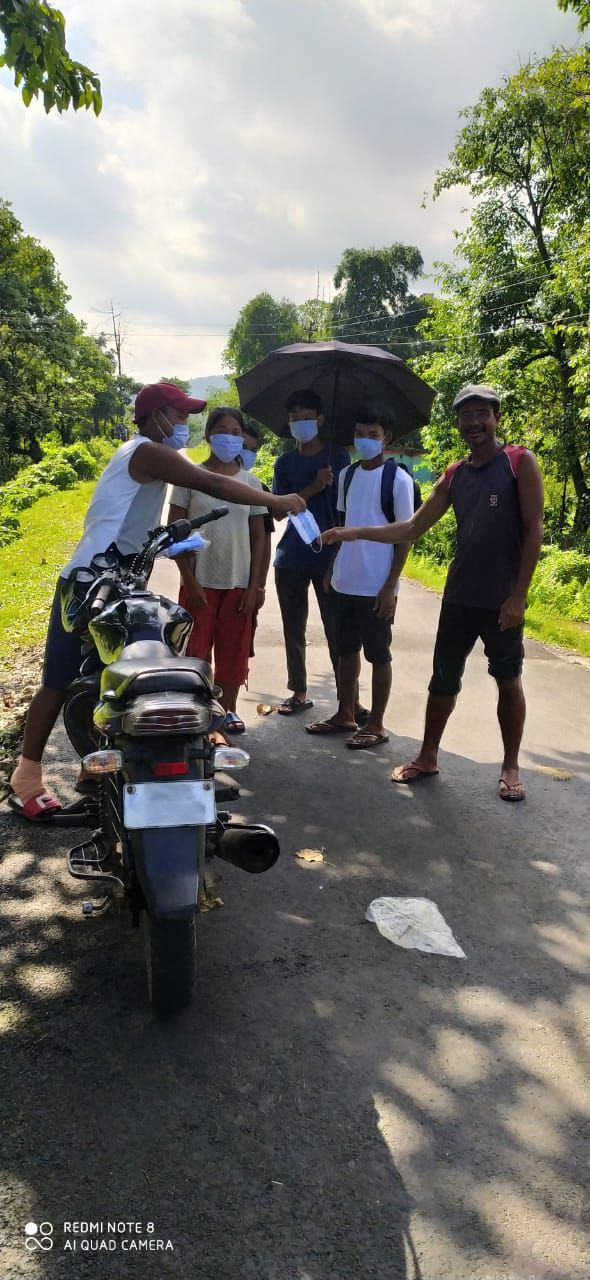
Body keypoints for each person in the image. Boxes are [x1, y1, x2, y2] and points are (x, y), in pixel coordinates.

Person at [9, 383, 305, 820]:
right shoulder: (146, 451)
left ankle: (99, 768)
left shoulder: (142, 454)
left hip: (119, 579)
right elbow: (210, 482)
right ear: (154, 416)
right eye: (179, 415)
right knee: (59, 680)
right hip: (90, 582)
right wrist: (274, 500)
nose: (185, 425)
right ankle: (26, 778)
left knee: (113, 677)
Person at [324, 385, 544, 800]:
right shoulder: (454, 473)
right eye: (466, 416)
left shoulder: (519, 462)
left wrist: (519, 595)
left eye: (482, 414)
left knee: (508, 680)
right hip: (459, 596)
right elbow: (410, 527)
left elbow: (534, 532)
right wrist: (352, 532)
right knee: (442, 680)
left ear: (496, 417)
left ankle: (511, 766)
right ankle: (427, 756)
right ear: (458, 422)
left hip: (502, 600)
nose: (474, 423)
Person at [306, 400, 414, 749]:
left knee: (378, 656)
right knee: (346, 651)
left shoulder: (397, 479)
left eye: (373, 435)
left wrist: (390, 587)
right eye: (359, 434)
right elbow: (343, 526)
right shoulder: (349, 475)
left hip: (375, 586)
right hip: (343, 581)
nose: (365, 440)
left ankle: (378, 723)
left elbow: (404, 537)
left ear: (387, 438)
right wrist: (331, 569)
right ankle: (345, 712)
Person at [168, 408, 267, 736]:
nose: (230, 436)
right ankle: (199, 714)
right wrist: (189, 581)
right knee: (196, 651)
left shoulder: (252, 483)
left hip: (239, 584)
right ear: (209, 435)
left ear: (243, 438)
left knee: (232, 652)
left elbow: (259, 539)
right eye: (222, 430)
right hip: (199, 583)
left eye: (236, 431)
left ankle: (227, 712)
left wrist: (256, 587)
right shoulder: (188, 478)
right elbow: (175, 533)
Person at [272, 389, 352, 717]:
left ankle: (349, 700)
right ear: (289, 423)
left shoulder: (340, 458)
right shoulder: (285, 462)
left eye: (307, 417)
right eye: (295, 419)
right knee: (294, 629)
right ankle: (299, 692)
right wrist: (314, 488)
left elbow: (349, 510)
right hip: (291, 556)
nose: (301, 423)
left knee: (339, 629)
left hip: (330, 557)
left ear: (319, 420)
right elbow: (278, 512)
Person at [240, 421, 274, 659]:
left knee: (237, 654)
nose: (246, 454)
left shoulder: (258, 489)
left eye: (251, 450)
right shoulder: (203, 482)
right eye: (242, 445)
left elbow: (264, 542)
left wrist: (259, 586)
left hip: (245, 587)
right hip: (208, 585)